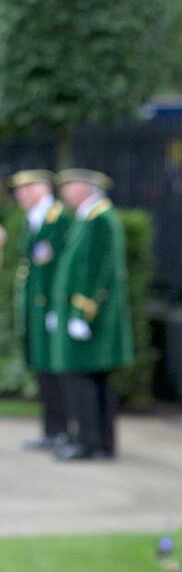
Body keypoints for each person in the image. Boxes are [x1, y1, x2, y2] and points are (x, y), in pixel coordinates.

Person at [49, 169, 133, 461]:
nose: (64, 193)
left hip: (90, 317)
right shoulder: (89, 218)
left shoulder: (100, 220)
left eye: (69, 186)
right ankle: (97, 442)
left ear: (85, 189)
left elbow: (96, 271)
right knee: (91, 381)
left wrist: (82, 313)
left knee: (82, 380)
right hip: (84, 314)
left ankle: (90, 442)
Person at [6, 170, 74, 451]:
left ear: (42, 189)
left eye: (26, 189)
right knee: (44, 372)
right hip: (36, 311)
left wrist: (58, 309)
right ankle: (52, 430)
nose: (20, 195)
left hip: (51, 309)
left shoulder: (58, 219)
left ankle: (65, 432)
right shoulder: (33, 221)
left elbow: (63, 269)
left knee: (58, 373)